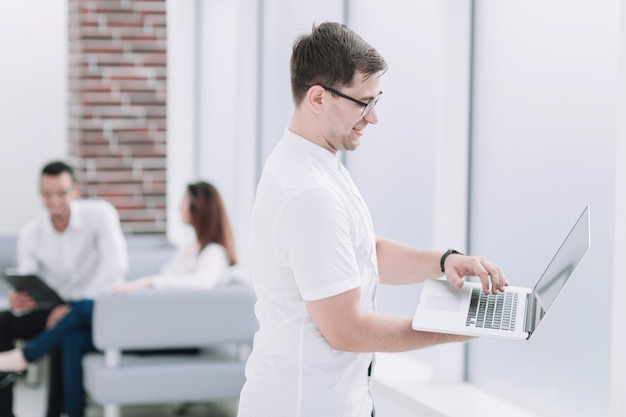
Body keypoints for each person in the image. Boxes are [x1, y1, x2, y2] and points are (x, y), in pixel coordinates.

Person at [236, 22, 508, 417]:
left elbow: (366, 250)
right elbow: (347, 329)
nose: (374, 117)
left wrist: (445, 261)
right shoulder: (309, 194)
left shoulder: (318, 163)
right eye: (363, 103)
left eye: (375, 99)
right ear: (317, 98)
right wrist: (450, 329)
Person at [0, 180, 238, 417]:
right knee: (71, 338)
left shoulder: (214, 252)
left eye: (184, 203)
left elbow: (201, 285)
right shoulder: (190, 248)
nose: (178, 208)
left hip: (169, 335)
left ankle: (25, 356)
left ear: (199, 209)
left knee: (83, 307)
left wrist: (149, 282)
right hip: (153, 326)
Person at [0, 160, 128, 417]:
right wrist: (21, 301)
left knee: (67, 330)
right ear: (40, 195)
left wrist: (69, 308)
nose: (55, 202)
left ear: (76, 191)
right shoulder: (31, 233)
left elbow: (116, 269)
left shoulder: (101, 215)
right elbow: (30, 280)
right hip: (53, 308)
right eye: (47, 194)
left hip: (95, 307)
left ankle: (38, 381)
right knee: (4, 320)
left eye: (62, 193)